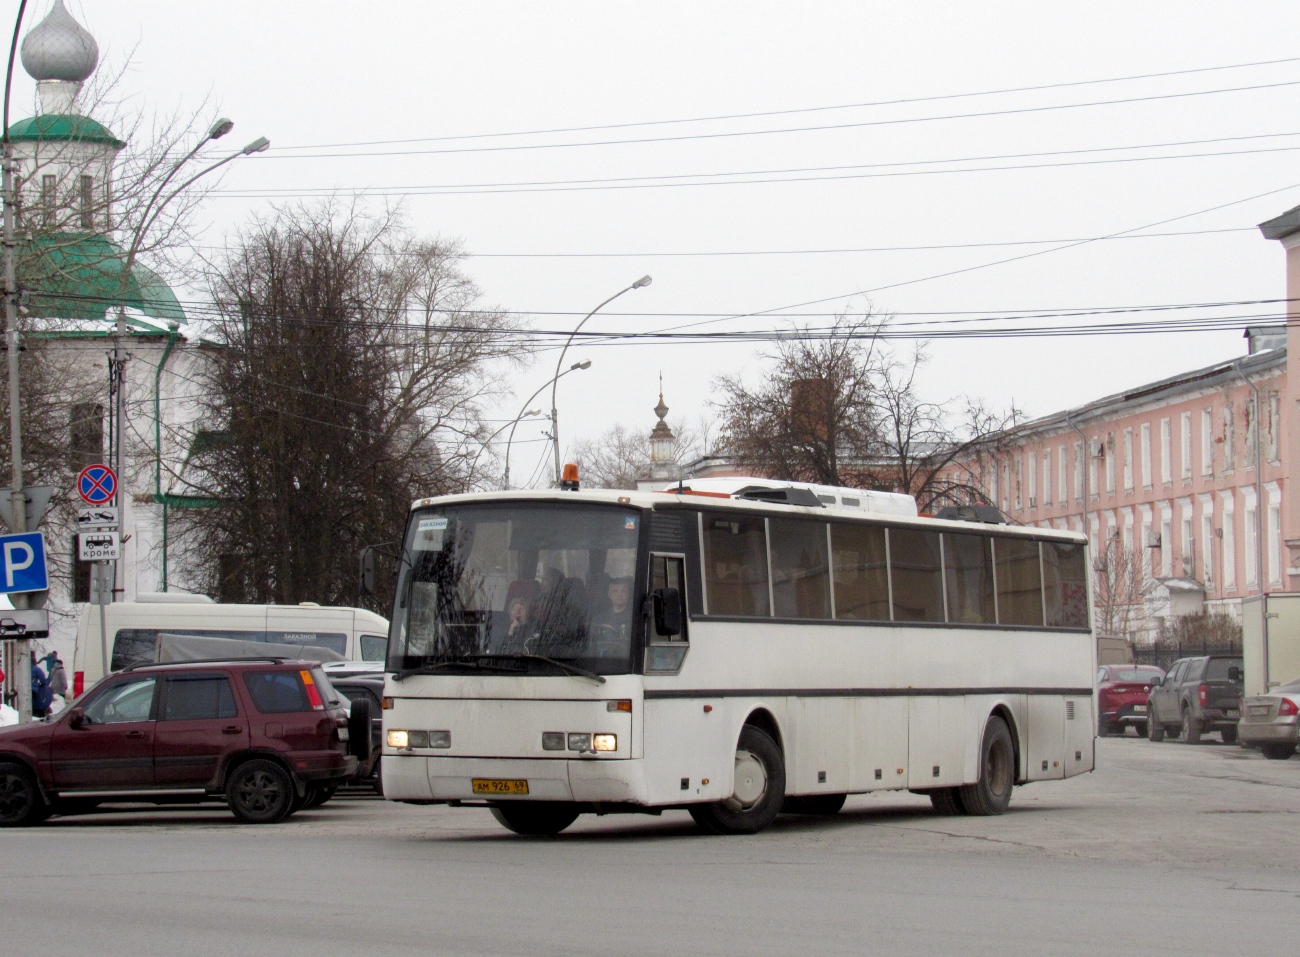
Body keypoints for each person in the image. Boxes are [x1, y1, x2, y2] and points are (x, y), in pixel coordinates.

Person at [589, 577, 634, 656]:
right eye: (615, 591)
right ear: (609, 594)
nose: (619, 594)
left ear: (628, 594)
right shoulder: (600, 618)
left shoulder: (634, 617)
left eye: (623, 591)